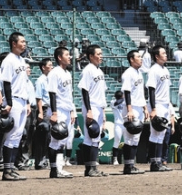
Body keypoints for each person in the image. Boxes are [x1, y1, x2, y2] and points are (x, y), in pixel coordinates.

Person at [0, 32, 30, 181]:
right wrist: (9, 103)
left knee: (17, 136)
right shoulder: (9, 60)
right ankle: (6, 171)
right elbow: (6, 83)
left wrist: (28, 102)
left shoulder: (22, 60)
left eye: (25, 42)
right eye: (22, 42)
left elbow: (23, 84)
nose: (24, 44)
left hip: (23, 100)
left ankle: (11, 168)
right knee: (11, 135)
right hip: (14, 101)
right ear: (14, 43)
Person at [78, 44, 109, 177]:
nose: (101, 56)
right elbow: (85, 91)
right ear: (91, 56)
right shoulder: (88, 70)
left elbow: (102, 93)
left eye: (101, 54)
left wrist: (103, 111)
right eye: (98, 54)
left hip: (99, 107)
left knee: (96, 138)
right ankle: (89, 168)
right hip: (91, 106)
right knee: (90, 136)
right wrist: (89, 110)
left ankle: (93, 167)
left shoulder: (99, 71)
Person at [47, 46, 77, 178]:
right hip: (58, 109)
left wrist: (72, 110)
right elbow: (52, 94)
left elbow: (69, 95)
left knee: (63, 141)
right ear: (59, 57)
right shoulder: (55, 72)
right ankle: (55, 169)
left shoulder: (67, 73)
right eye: (67, 55)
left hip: (66, 109)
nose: (70, 57)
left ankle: (58, 168)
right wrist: (54, 113)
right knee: (56, 140)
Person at [146, 45, 173, 172]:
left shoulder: (165, 70)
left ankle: (159, 161)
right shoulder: (154, 70)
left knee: (161, 134)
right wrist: (153, 108)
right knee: (155, 134)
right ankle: (154, 163)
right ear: (157, 56)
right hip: (157, 104)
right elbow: (151, 90)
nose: (166, 54)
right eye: (163, 53)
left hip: (165, 105)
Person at [121, 50, 148, 174]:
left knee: (136, 138)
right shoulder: (128, 73)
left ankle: (131, 164)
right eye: (138, 57)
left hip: (139, 107)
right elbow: (126, 92)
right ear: (131, 59)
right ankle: (127, 166)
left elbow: (140, 93)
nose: (141, 59)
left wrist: (145, 108)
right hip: (131, 108)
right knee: (130, 138)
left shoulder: (139, 73)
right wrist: (130, 110)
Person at [15, 63, 36, 171]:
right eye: (27, 68)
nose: (29, 69)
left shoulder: (29, 81)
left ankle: (25, 161)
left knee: (28, 137)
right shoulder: (22, 81)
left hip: (32, 110)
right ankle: (20, 162)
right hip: (25, 109)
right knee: (22, 136)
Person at [33, 58, 53, 170]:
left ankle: (46, 160)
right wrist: (40, 112)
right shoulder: (40, 80)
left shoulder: (51, 79)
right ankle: (39, 161)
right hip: (44, 109)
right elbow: (39, 98)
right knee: (42, 136)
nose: (52, 66)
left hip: (51, 109)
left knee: (49, 137)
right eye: (49, 65)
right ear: (43, 67)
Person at [111, 90, 125, 165]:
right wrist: (125, 97)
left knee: (128, 142)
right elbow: (117, 102)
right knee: (117, 141)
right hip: (118, 124)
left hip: (125, 124)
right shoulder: (113, 102)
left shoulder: (125, 102)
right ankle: (115, 159)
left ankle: (128, 158)